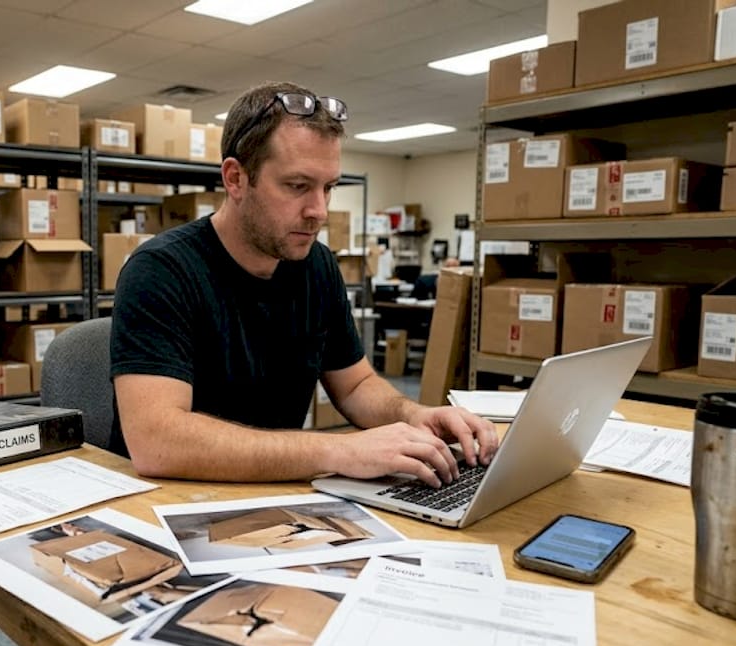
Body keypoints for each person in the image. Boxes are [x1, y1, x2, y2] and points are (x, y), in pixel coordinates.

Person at [109, 81, 498, 485]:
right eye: (297, 186)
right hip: (164, 506)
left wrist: (415, 416)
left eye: (328, 188)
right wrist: (338, 450)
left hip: (277, 499)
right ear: (235, 178)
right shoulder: (161, 270)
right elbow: (157, 442)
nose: (319, 211)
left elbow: (355, 385)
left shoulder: (317, 266)